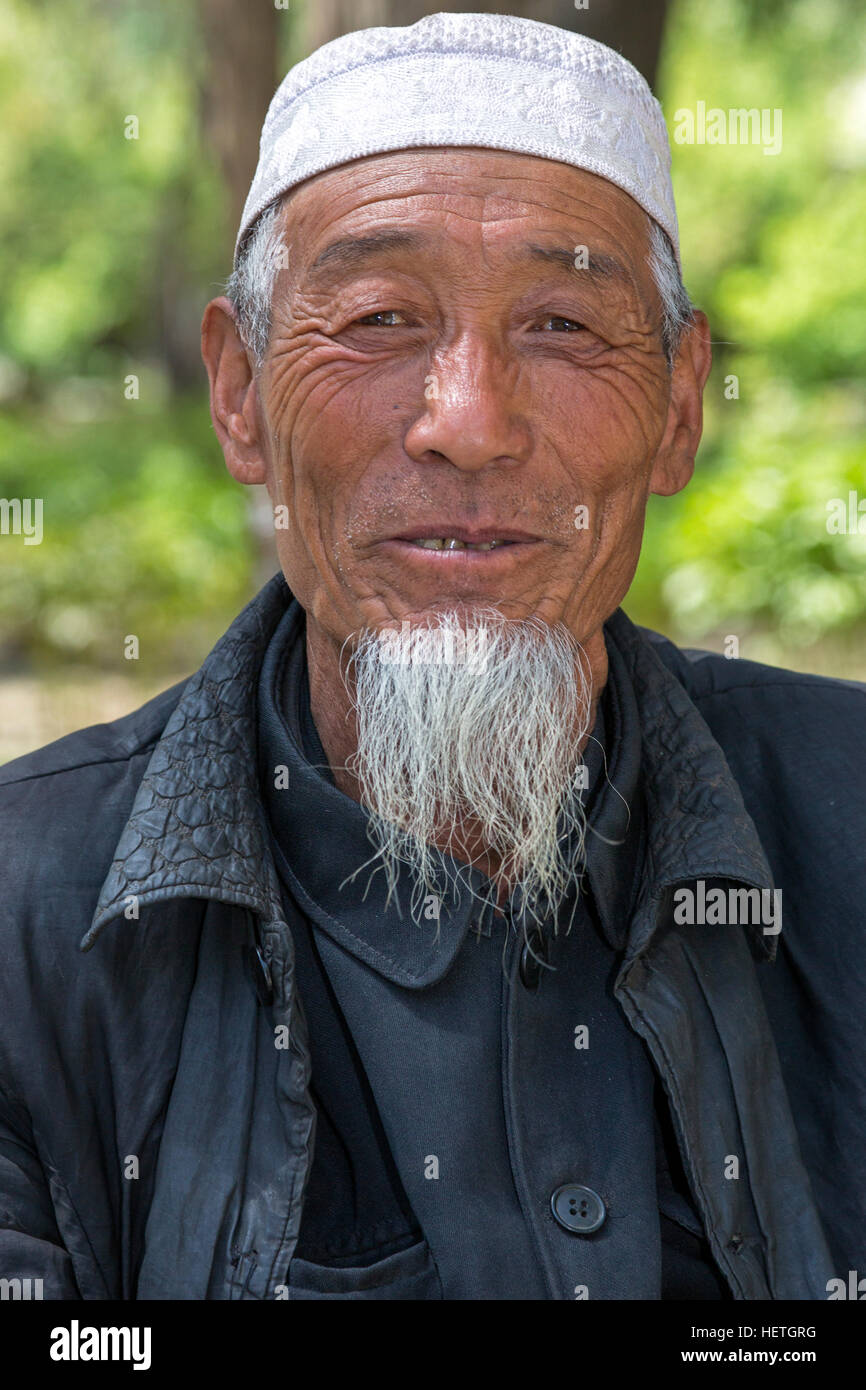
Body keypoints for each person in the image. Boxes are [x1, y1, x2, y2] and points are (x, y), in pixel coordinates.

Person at [0, 12, 863, 1301]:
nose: (468, 423)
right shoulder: (28, 915)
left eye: (566, 327)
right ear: (240, 394)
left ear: (680, 412)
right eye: (379, 317)